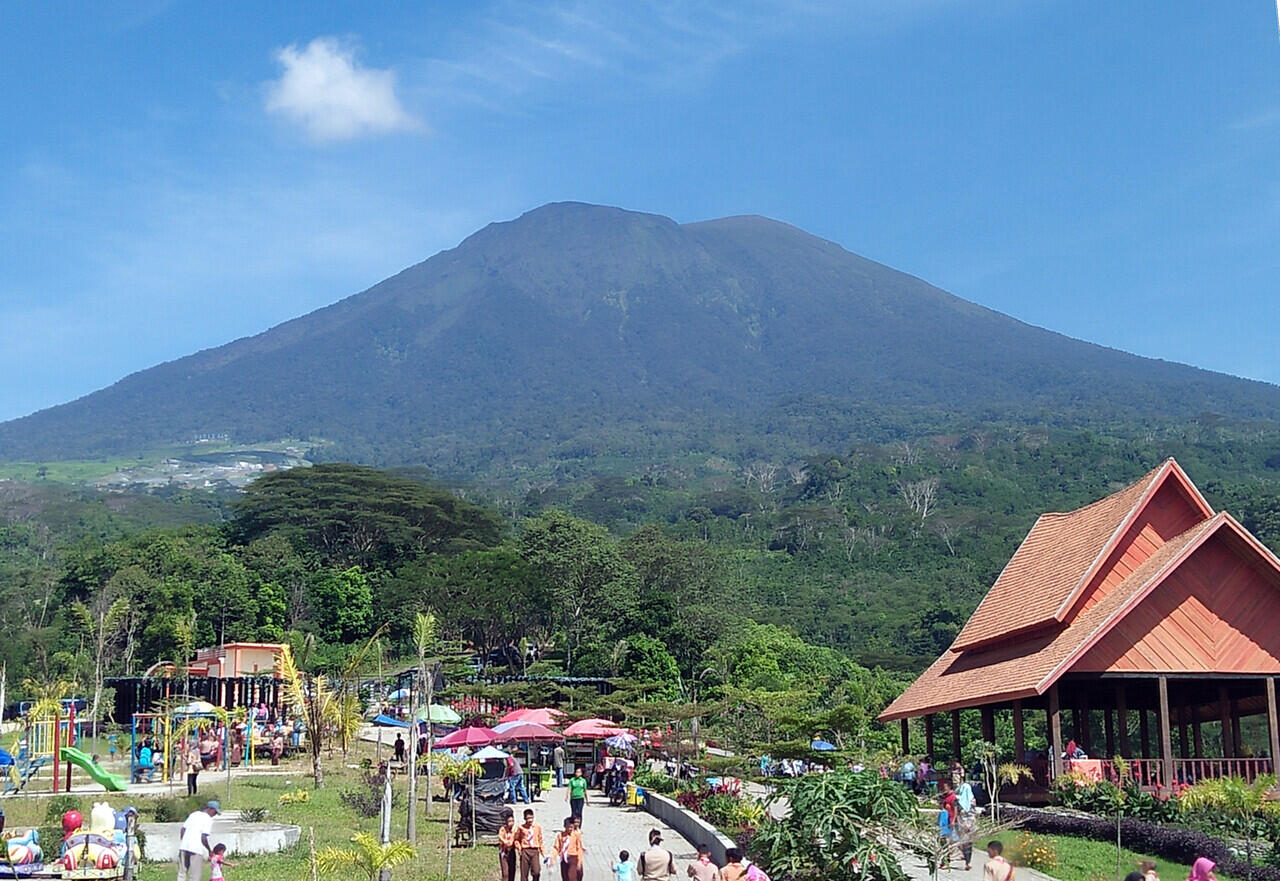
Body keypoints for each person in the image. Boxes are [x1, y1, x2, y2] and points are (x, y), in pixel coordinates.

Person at [176, 801, 220, 881]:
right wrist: (209, 850)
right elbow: (203, 838)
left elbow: (183, 829)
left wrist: (184, 841)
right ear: (210, 809)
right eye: (215, 812)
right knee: (195, 875)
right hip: (196, 849)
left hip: (184, 847)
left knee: (182, 873)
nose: (215, 814)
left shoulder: (194, 814)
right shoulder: (208, 819)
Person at [514, 808, 547, 881]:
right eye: (528, 818)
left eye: (531, 818)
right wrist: (519, 848)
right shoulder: (521, 828)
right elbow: (516, 839)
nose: (530, 820)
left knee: (536, 871)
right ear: (524, 818)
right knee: (524, 874)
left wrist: (544, 854)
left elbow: (540, 840)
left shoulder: (537, 827)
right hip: (525, 850)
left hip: (535, 851)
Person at [553, 816, 584, 881]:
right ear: (564, 826)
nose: (570, 829)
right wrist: (552, 858)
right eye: (568, 827)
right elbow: (556, 847)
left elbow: (579, 848)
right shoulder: (560, 835)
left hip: (573, 857)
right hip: (564, 858)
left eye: (571, 827)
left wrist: (579, 862)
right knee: (565, 876)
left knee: (572, 876)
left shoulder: (576, 835)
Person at [498, 812, 518, 881]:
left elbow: (516, 839)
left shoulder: (515, 830)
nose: (511, 823)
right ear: (506, 822)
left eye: (512, 821)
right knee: (505, 873)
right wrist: (505, 842)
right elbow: (500, 837)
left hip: (511, 851)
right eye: (509, 821)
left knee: (512, 871)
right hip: (504, 851)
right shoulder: (503, 829)